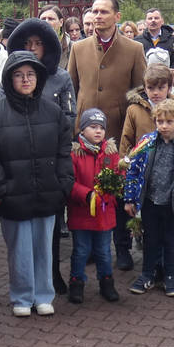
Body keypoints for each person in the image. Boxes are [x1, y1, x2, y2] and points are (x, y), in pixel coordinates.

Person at [0, 51, 74, 316]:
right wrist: (0, 190)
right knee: (19, 250)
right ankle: (22, 296)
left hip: (48, 193)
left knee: (44, 248)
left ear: (39, 78)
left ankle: (43, 295)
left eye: (30, 74)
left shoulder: (53, 112)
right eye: (18, 75)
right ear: (9, 79)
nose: (26, 79)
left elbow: (64, 152)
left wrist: (63, 185)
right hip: (12, 196)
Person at [69, 0, 148, 272]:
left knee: (118, 192)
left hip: (117, 132)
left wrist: (127, 120)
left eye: (104, 11)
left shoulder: (134, 49)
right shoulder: (78, 48)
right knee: (88, 188)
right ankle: (90, 248)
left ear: (117, 16)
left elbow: (140, 92)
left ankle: (122, 247)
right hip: (83, 136)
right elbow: (71, 89)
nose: (98, 16)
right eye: (94, 11)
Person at [123, 98, 174, 297]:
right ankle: (147, 274)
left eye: (169, 122)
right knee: (150, 239)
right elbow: (133, 170)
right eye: (160, 121)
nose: (164, 126)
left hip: (173, 204)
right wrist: (130, 198)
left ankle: (170, 275)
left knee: (170, 240)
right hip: (150, 202)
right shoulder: (146, 144)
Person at [66, 109, 120, 304]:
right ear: (82, 129)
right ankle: (77, 282)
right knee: (81, 250)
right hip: (81, 212)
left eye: (101, 128)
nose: (98, 131)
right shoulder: (74, 153)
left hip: (104, 214)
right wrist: (86, 194)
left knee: (104, 251)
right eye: (93, 127)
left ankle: (106, 282)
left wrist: (115, 185)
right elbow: (69, 182)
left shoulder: (111, 152)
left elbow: (117, 176)